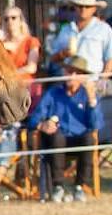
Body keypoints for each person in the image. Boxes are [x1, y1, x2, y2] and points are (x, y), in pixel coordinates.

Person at [29, 53, 99, 203]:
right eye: (69, 71)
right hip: (56, 140)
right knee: (57, 137)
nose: (71, 76)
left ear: (82, 76)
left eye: (76, 73)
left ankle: (79, 186)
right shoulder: (53, 93)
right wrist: (42, 125)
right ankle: (58, 186)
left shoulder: (87, 95)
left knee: (89, 138)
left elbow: (95, 125)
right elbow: (34, 118)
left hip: (78, 140)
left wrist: (92, 101)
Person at [49, 0, 112, 78]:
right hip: (69, 82)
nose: (83, 9)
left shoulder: (104, 29)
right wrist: (64, 54)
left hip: (92, 82)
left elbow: (110, 59)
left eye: (87, 6)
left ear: (94, 8)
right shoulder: (66, 29)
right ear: (75, 7)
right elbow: (53, 59)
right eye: (80, 6)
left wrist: (102, 81)